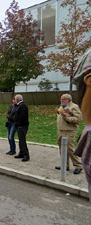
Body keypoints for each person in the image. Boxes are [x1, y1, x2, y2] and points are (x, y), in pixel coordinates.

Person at [73, 48, 91, 201]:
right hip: (61, 133)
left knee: (70, 152)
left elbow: (76, 119)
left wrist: (67, 116)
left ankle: (75, 166)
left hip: (68, 132)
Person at [55, 93, 83, 174]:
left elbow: (78, 119)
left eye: (63, 99)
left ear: (69, 100)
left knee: (70, 149)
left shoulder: (74, 107)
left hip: (69, 131)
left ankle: (78, 165)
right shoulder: (62, 106)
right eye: (61, 99)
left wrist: (67, 118)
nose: (61, 101)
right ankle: (65, 165)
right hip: (61, 130)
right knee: (62, 149)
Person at [13, 94, 30, 162]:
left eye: (15, 99)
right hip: (19, 125)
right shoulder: (19, 105)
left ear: (17, 99)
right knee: (20, 140)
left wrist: (18, 123)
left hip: (22, 126)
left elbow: (22, 116)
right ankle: (21, 152)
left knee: (22, 141)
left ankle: (26, 155)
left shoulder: (23, 106)